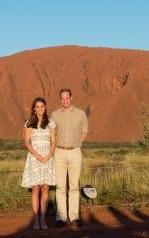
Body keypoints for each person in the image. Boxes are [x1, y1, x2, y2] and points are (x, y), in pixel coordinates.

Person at [51, 88, 89, 228]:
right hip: (59, 152)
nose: (65, 101)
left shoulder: (81, 114)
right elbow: (52, 134)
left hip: (75, 152)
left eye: (67, 98)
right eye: (62, 98)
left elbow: (85, 132)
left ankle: (74, 217)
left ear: (71, 98)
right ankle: (61, 217)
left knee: (74, 186)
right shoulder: (55, 115)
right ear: (60, 99)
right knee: (60, 186)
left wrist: (77, 143)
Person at [21, 97, 57, 230]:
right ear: (34, 109)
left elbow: (53, 141)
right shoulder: (29, 123)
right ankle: (36, 219)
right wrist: (36, 155)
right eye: (38, 107)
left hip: (47, 157)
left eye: (42, 106)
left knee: (45, 189)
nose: (40, 109)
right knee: (35, 189)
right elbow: (26, 142)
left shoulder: (51, 123)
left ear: (45, 107)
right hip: (34, 157)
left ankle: (43, 219)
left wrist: (48, 155)